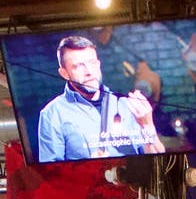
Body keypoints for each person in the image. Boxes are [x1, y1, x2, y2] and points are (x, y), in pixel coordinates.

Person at [33, 33, 163, 161]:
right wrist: (90, 168)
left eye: (92, 63)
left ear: (99, 64)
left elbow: (156, 161)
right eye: (78, 66)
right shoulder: (52, 114)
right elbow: (51, 174)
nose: (89, 72)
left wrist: (148, 125)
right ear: (64, 73)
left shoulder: (125, 104)